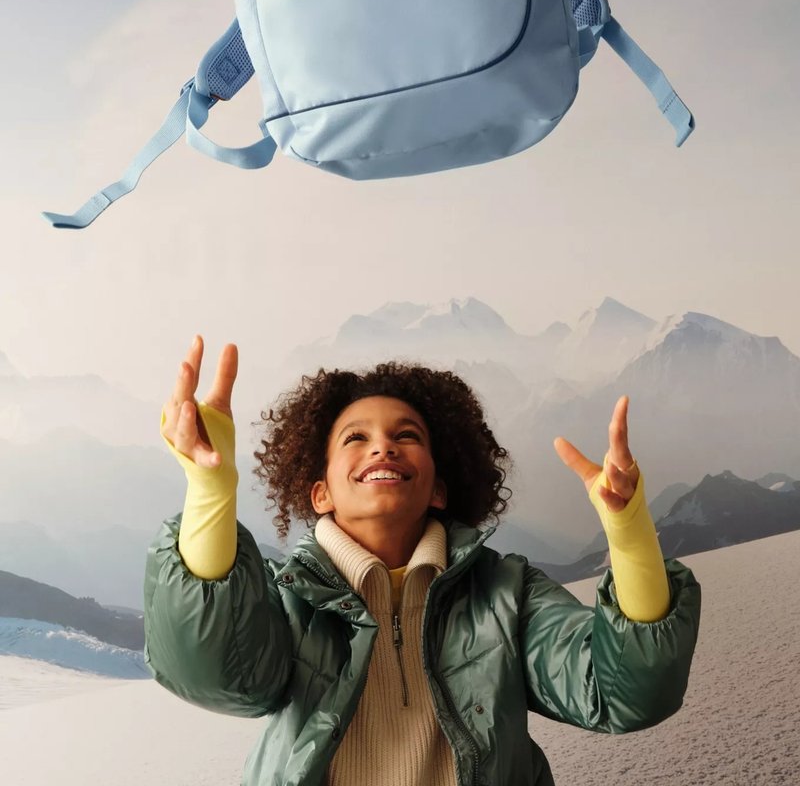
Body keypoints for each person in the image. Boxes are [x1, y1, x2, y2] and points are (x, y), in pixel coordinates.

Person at [145, 336, 701, 786]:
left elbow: (624, 691)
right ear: (321, 494)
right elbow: (213, 671)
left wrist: (627, 532)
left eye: (405, 436)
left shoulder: (507, 594)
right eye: (355, 438)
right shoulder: (287, 599)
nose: (382, 447)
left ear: (438, 487)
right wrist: (210, 487)